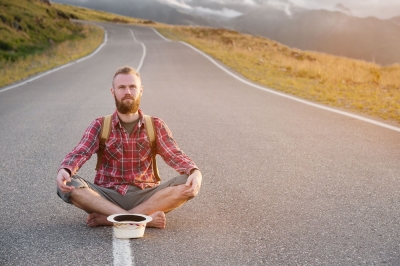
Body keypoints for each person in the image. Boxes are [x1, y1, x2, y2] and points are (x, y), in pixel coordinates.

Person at [56, 66, 202, 229]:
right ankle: (141, 219)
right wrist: (66, 169)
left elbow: (174, 154)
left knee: (188, 183)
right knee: (68, 184)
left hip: (146, 196)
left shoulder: (155, 125)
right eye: (122, 87)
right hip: (107, 196)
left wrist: (194, 171)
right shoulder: (99, 125)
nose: (128, 91)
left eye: (132, 87)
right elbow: (80, 151)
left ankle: (112, 219)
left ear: (140, 90)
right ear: (113, 92)